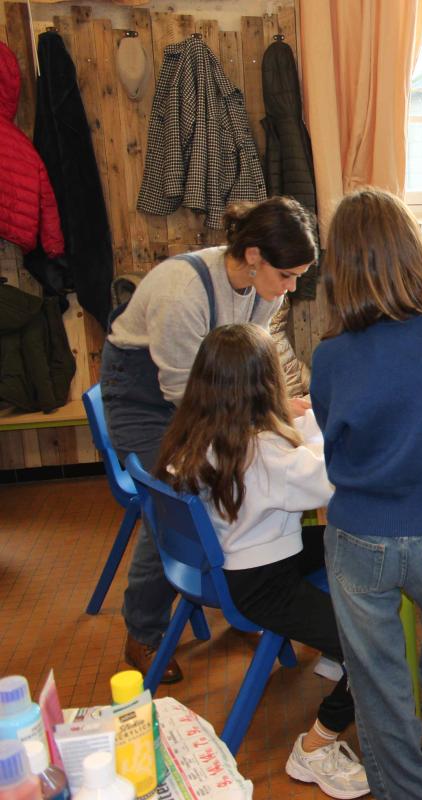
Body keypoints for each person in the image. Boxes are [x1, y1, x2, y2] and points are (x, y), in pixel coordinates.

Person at [310, 189, 422, 800]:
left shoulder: (331, 356)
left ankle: (411, 790)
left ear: (340, 269)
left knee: (378, 681)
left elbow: (335, 443)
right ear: (416, 253)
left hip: (359, 535)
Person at [101, 196, 317, 683]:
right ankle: (144, 631)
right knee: (174, 496)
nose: (291, 287)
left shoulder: (266, 289)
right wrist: (263, 424)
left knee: (237, 473)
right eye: (287, 275)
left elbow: (247, 366)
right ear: (255, 256)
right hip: (143, 393)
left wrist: (273, 409)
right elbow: (186, 394)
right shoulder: (183, 293)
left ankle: (242, 593)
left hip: (205, 388)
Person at [155, 324, 367, 799]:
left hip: (232, 564)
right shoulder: (265, 453)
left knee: (343, 541)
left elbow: (287, 468)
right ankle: (316, 746)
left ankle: (332, 648)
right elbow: (332, 479)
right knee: (373, 644)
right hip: (262, 583)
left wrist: (294, 428)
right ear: (266, 384)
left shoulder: (196, 435)